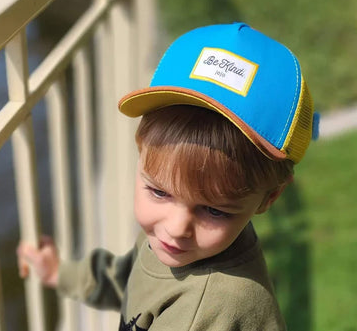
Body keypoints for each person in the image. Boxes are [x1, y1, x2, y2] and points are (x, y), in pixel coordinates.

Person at [17, 22, 319, 330]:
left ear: (270, 197)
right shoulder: (177, 245)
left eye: (214, 210)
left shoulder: (212, 307)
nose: (176, 228)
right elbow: (129, 278)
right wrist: (59, 273)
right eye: (159, 192)